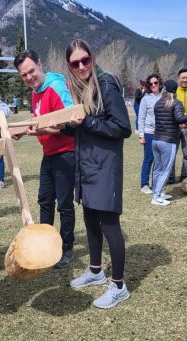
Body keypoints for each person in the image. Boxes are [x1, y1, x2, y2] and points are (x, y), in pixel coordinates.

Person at [62, 39, 132, 309]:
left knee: (109, 225)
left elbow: (121, 127)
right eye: (75, 63)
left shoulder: (107, 84)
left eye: (85, 60)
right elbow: (83, 128)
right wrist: (63, 127)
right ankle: (95, 271)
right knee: (90, 218)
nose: (81, 66)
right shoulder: (81, 88)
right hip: (87, 165)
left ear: (92, 57)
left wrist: (87, 121)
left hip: (105, 166)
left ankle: (118, 285)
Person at [13, 49, 76, 269]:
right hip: (48, 154)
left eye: (31, 71)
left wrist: (42, 132)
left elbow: (70, 122)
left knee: (65, 204)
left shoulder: (56, 87)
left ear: (40, 65)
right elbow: (40, 120)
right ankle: (45, 246)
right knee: (45, 201)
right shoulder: (35, 91)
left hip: (66, 153)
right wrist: (23, 129)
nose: (29, 77)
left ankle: (67, 248)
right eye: (24, 75)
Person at [151, 80, 187, 206]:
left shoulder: (158, 103)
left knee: (157, 169)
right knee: (165, 170)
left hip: (156, 140)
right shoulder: (176, 103)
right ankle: (156, 197)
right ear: (175, 90)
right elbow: (179, 119)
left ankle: (158, 192)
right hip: (168, 141)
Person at [136, 73, 162, 194]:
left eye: (155, 83)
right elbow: (141, 118)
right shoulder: (145, 99)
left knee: (159, 159)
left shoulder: (164, 97)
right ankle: (144, 184)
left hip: (162, 132)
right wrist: (141, 135)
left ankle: (156, 182)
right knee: (149, 158)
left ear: (159, 83)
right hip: (149, 132)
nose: (153, 85)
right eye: (151, 84)